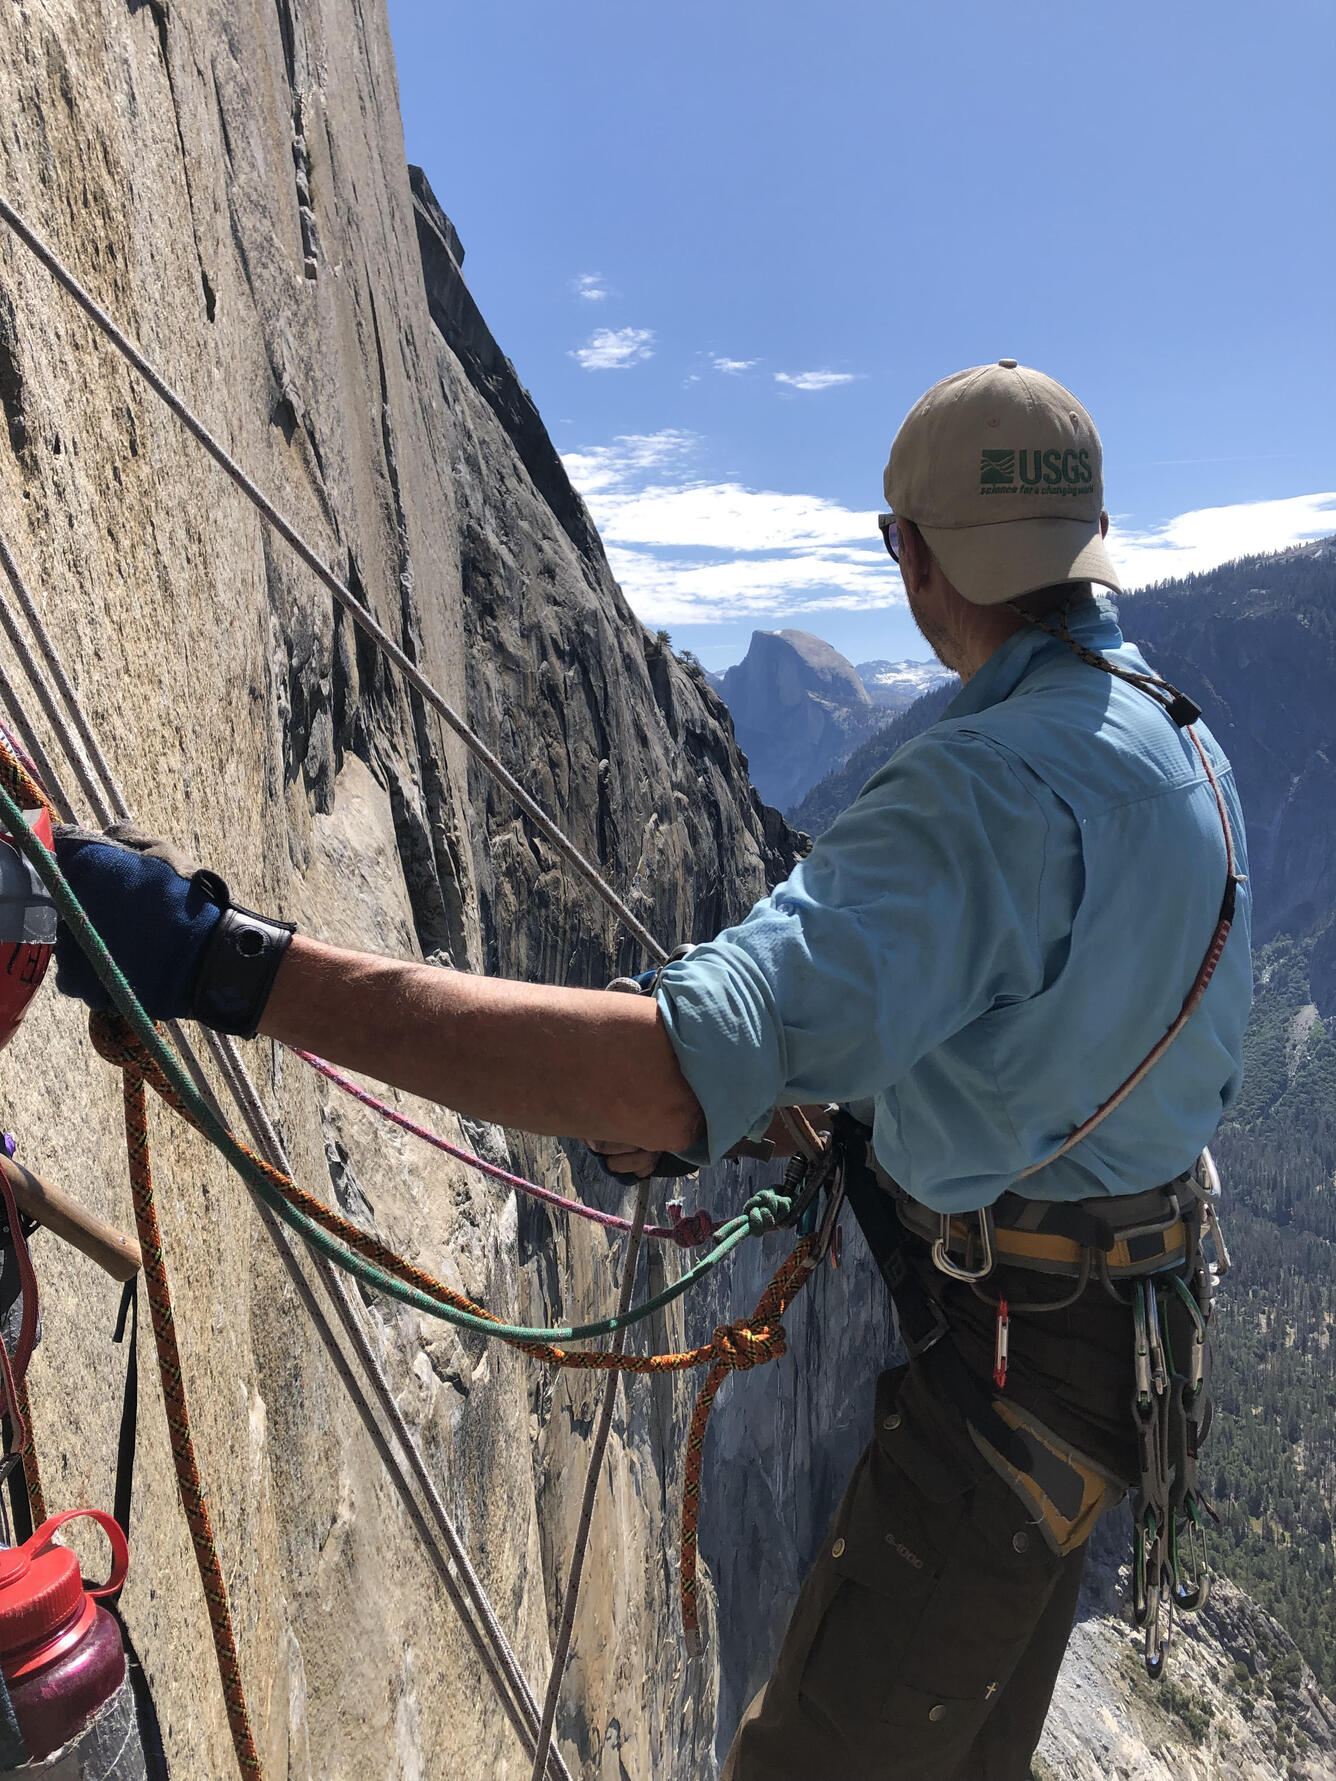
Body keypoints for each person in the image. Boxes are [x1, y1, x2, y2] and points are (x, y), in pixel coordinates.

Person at [51, 362, 1252, 1780]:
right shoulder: (1172, 736)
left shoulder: (983, 789)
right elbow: (1050, 1026)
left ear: (911, 556)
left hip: (1002, 1395)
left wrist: (222, 966)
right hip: (1104, 1361)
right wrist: (846, 1098)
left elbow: (663, 1083)